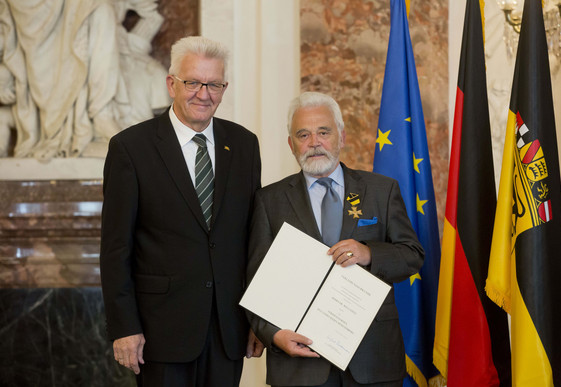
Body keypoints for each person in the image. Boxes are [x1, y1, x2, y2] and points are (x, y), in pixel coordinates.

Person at [100, 36, 263, 386]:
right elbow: (116, 248)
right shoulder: (130, 148)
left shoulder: (245, 145)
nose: (204, 94)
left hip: (228, 329)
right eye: (192, 82)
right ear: (171, 83)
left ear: (224, 87)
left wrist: (259, 319)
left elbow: (253, 239)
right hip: (160, 332)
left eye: (214, 84)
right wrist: (124, 327)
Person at [247, 92, 424, 387]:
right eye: (303, 134)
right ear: (291, 144)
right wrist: (274, 334)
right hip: (298, 366)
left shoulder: (381, 190)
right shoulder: (269, 201)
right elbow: (254, 282)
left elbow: (413, 254)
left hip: (373, 361)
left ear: (341, 136)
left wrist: (369, 253)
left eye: (323, 132)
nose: (314, 142)